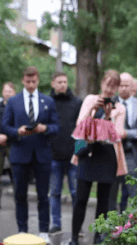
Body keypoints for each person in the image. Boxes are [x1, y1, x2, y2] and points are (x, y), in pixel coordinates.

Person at [61, 70, 125, 245]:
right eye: (108, 84)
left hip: (107, 154)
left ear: (117, 88)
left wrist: (107, 118)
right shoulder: (90, 99)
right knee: (80, 199)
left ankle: (98, 240)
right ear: (102, 82)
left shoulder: (119, 108)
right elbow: (80, 125)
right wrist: (92, 111)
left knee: (103, 201)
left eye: (114, 86)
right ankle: (74, 240)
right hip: (87, 152)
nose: (109, 88)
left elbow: (116, 135)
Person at [0, 66, 59, 242]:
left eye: (33, 81)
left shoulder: (48, 101)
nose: (31, 84)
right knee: (20, 194)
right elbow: (4, 126)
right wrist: (17, 131)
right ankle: (22, 230)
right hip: (20, 152)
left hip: (42, 153)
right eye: (27, 81)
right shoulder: (13, 101)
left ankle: (44, 231)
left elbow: (56, 127)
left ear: (38, 80)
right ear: (23, 81)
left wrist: (45, 128)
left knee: (43, 195)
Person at [110, 72, 137, 213]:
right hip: (111, 153)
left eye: (126, 85)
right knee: (110, 192)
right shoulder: (109, 103)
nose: (123, 88)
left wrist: (128, 133)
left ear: (132, 86)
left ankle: (134, 221)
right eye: (121, 85)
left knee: (134, 190)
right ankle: (109, 222)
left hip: (132, 153)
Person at [48, 71, 82, 234]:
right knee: (55, 192)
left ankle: (78, 225)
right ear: (53, 84)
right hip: (53, 156)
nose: (63, 85)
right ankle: (56, 224)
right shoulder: (47, 102)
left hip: (73, 155)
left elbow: (81, 128)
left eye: (65, 82)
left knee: (76, 193)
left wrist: (79, 151)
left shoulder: (77, 102)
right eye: (59, 82)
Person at [0, 82, 17, 211]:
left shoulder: (17, 108)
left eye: (10, 91)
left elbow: (19, 126)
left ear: (14, 93)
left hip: (13, 144)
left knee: (15, 174)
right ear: (2, 92)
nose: (7, 94)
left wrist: (7, 136)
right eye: (5, 91)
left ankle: (18, 201)